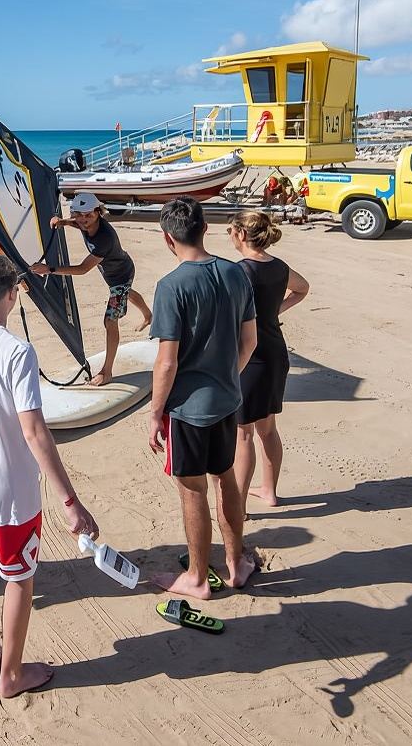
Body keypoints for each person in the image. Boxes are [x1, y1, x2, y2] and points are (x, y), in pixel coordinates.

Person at [0, 254, 99, 698]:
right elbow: (34, 430)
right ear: (13, 294)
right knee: (18, 578)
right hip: (10, 490)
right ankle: (9, 673)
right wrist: (71, 501)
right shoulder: (16, 352)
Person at [148, 196, 258, 599]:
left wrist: (154, 410)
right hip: (228, 399)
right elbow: (249, 341)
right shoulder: (235, 274)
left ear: (167, 239)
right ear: (205, 229)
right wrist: (228, 377)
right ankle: (235, 562)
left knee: (192, 487)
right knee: (225, 477)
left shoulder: (171, 286)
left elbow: (166, 362)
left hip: (189, 409)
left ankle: (197, 576)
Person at [226, 211, 310, 512]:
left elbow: (227, 318)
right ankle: (269, 492)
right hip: (275, 352)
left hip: (251, 357)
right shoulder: (278, 266)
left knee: (243, 433)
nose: (229, 237)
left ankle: (239, 508)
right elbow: (302, 288)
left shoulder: (239, 271)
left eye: (230, 232)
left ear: (241, 235)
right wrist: (274, 312)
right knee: (268, 429)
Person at [30, 192, 153, 386]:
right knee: (125, 292)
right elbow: (77, 222)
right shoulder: (83, 221)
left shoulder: (104, 239)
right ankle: (148, 316)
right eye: (79, 214)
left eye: (89, 215)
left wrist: (49, 270)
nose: (84, 220)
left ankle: (107, 371)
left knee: (110, 321)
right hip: (112, 273)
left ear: (98, 212)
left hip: (121, 274)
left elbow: (82, 269)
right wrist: (62, 221)